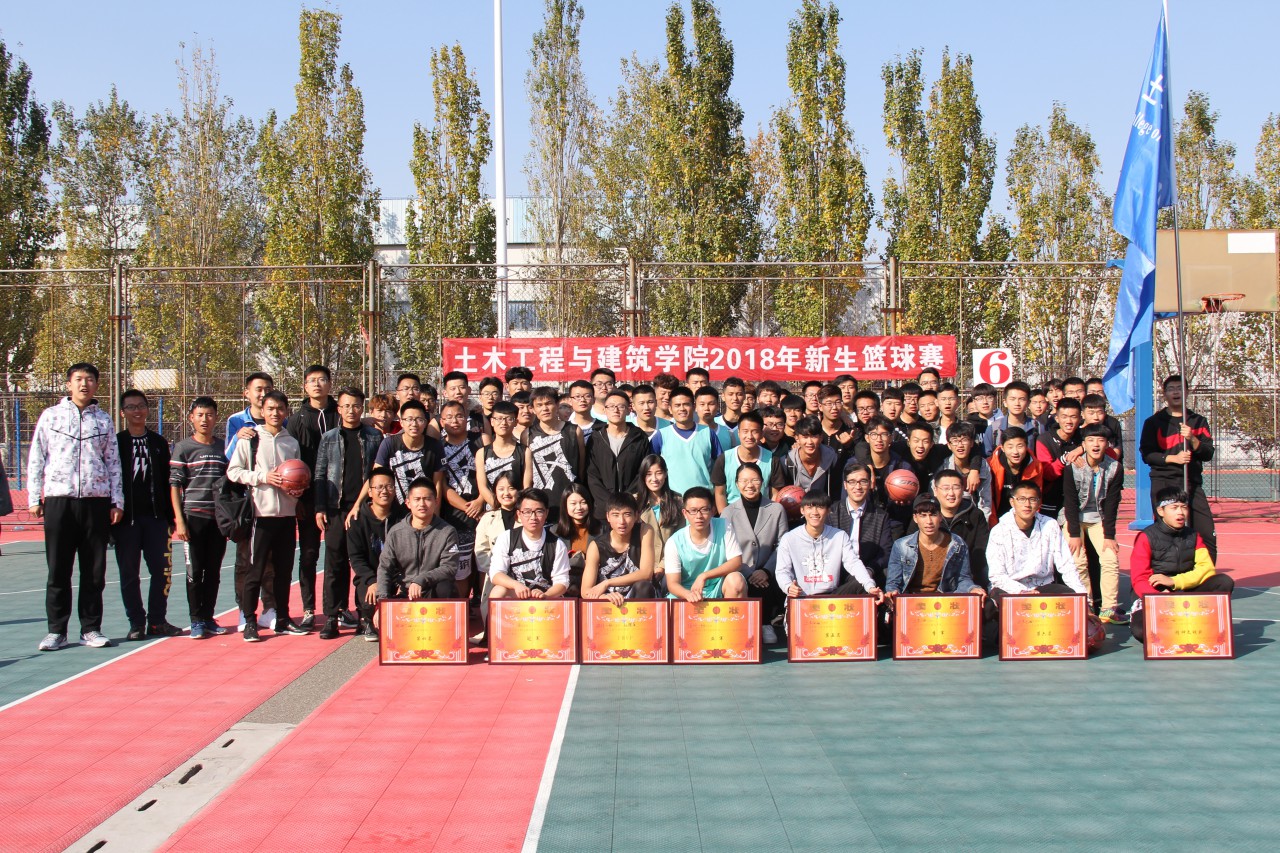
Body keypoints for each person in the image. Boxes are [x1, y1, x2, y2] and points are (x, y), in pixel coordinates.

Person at [29, 363, 125, 651]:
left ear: (97, 384)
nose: (85, 384)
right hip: (59, 501)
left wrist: (116, 501)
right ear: (69, 384)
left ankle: (91, 628)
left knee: (94, 571)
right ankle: (56, 631)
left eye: (90, 379)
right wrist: (34, 497)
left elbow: (113, 463)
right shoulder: (51, 416)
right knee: (58, 569)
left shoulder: (103, 420)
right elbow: (37, 457)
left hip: (96, 502)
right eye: (79, 379)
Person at [228, 389, 309, 641]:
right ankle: (250, 620)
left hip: (286, 516)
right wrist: (263, 477)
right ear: (262, 411)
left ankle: (282, 618)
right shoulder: (250, 439)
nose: (275, 413)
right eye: (270, 408)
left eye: (280, 409)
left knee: (283, 571)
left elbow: (298, 476)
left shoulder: (291, 442)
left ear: (286, 411)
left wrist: (297, 489)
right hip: (260, 516)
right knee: (255, 570)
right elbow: (234, 471)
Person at [314, 388, 383, 640]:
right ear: (339, 409)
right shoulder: (329, 438)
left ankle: (365, 617)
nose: (351, 410)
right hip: (336, 509)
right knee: (335, 564)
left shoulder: (374, 436)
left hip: (364, 509)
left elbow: (378, 473)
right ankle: (333, 616)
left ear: (362, 408)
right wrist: (320, 507)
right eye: (346, 406)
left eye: (355, 406)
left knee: (364, 564)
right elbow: (320, 473)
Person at [1128, 486, 1235, 643]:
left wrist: (1174, 581)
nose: (1180, 512)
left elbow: (1206, 569)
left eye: (1184, 507)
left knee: (1224, 581)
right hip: (1156, 594)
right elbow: (1139, 578)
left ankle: (1196, 622)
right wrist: (1159, 597)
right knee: (1142, 632)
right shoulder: (1146, 537)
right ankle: (1173, 624)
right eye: (1174, 508)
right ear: (1161, 511)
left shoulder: (1194, 536)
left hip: (1184, 592)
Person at [114, 389, 178, 640]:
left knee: (161, 571)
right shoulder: (116, 442)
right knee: (129, 574)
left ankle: (157, 621)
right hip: (126, 521)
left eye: (141, 405)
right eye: (131, 407)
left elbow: (167, 481)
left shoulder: (158, 443)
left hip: (156, 520)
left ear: (147, 409)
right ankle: (136, 623)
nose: (137, 411)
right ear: (123, 412)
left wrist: (170, 517)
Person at [170, 397, 229, 639]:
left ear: (216, 417)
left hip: (217, 520)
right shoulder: (183, 448)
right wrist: (180, 520)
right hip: (193, 517)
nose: (205, 419)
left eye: (210, 414)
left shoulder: (224, 447)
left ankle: (208, 617)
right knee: (195, 573)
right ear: (191, 418)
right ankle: (196, 620)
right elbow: (175, 485)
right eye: (200, 415)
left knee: (213, 572)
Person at [1140, 374, 1216, 562]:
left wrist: (1192, 439)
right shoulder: (1154, 422)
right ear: (1164, 394)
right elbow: (1147, 454)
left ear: (1187, 392)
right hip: (1164, 482)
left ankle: (1206, 573)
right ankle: (1166, 571)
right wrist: (1173, 458)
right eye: (1171, 389)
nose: (1176, 392)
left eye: (1180, 388)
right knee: (1167, 533)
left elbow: (1208, 453)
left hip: (1191, 483)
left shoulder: (1198, 421)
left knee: (1206, 532)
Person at [984, 482, 1086, 619]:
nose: (1027, 504)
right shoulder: (999, 531)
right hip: (1008, 588)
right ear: (1012, 502)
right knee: (1001, 607)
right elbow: (997, 575)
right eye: (1021, 499)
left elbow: (1066, 565)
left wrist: (1082, 598)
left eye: (1032, 499)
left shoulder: (1050, 525)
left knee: (1071, 598)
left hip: (1042, 586)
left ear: (1039, 503)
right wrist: (1023, 592)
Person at [284, 364, 337, 629]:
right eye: (312, 380)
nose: (317, 384)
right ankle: (308, 609)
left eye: (322, 379)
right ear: (305, 386)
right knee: (308, 554)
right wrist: (296, 498)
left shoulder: (341, 414)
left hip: (337, 495)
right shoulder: (296, 420)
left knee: (337, 556)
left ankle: (336, 608)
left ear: (330, 384)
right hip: (307, 497)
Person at [225, 372, 277, 624]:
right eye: (258, 389)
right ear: (247, 393)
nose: (263, 393)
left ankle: (270, 608)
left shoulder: (279, 419)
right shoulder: (236, 421)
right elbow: (228, 458)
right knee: (245, 559)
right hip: (246, 502)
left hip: (272, 500)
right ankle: (244, 610)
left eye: (267, 388)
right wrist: (238, 437)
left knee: (270, 559)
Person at [721, 462, 789, 643]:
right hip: (741, 569)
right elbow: (726, 549)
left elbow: (783, 545)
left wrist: (766, 570)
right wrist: (748, 572)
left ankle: (766, 622)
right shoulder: (728, 513)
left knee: (772, 581)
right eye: (744, 481)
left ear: (762, 482)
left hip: (769, 570)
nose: (749, 485)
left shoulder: (776, 509)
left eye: (754, 480)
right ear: (736, 484)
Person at [1064, 424, 1124, 621]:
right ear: (1084, 444)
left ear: (1107, 444)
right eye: (1091, 440)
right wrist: (1074, 534)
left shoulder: (1115, 468)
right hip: (1074, 519)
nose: (1095, 445)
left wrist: (1109, 535)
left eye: (1100, 440)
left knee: (1110, 559)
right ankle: (1086, 605)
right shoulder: (1073, 467)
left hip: (1100, 520)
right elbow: (1070, 503)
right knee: (1078, 561)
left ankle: (1109, 608)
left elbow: (1112, 504)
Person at [776, 493, 883, 603]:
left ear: (828, 511)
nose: (815, 512)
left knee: (861, 584)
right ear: (802, 510)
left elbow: (853, 563)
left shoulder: (839, 536)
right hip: (801, 596)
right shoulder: (789, 538)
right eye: (810, 507)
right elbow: (782, 571)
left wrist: (870, 586)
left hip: (831, 597)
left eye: (820, 507)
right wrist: (788, 586)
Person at [884, 494, 984, 603]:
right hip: (912, 601)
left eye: (933, 515)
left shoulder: (957, 544)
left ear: (940, 516)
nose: (929, 521)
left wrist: (972, 588)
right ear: (915, 518)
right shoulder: (901, 546)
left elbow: (963, 578)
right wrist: (892, 592)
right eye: (923, 515)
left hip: (945, 600)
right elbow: (893, 582)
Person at [375, 477, 462, 601]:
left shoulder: (447, 531)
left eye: (427, 499)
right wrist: (382, 600)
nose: (422, 504)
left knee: (446, 587)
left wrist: (421, 580)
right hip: (406, 591)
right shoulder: (396, 532)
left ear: (436, 501)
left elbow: (449, 567)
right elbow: (385, 567)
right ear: (408, 503)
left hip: (433, 589)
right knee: (372, 603)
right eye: (417, 499)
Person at [664, 487, 745, 602]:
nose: (699, 516)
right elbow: (673, 583)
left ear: (713, 511)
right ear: (685, 513)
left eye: (704, 510)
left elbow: (736, 562)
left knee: (736, 580)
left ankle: (730, 614)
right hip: (687, 593)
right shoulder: (674, 542)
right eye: (693, 510)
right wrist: (688, 594)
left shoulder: (724, 526)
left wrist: (704, 576)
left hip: (717, 588)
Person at [351, 467, 405, 639]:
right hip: (372, 576)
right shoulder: (357, 519)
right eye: (379, 487)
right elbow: (356, 558)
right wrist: (373, 581)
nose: (384, 491)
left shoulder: (404, 517)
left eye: (389, 486)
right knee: (369, 595)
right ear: (370, 491)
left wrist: (403, 580)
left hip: (396, 575)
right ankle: (367, 620)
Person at [489, 488, 571, 600]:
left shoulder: (557, 544)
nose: (533, 517)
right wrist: (516, 585)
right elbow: (496, 574)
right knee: (498, 590)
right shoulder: (506, 538)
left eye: (539, 512)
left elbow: (562, 582)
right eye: (527, 512)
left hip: (546, 597)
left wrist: (545, 595)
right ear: (519, 514)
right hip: (517, 594)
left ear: (546, 513)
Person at [524, 386, 586, 524]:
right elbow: (528, 472)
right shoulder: (527, 435)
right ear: (533, 409)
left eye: (549, 403)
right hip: (541, 500)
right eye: (539, 405)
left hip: (571, 498)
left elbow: (581, 466)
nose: (545, 409)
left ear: (557, 405)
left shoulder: (574, 431)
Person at [369, 399, 445, 512]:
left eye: (419, 419)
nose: (414, 424)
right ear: (401, 422)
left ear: (425, 423)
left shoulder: (435, 446)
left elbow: (437, 484)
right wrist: (358, 504)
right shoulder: (389, 443)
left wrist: (434, 515)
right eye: (409, 419)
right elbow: (376, 477)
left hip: (423, 510)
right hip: (394, 511)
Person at [585, 390, 650, 521]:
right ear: (604, 410)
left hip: (632, 507)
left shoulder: (639, 437)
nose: (616, 410)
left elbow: (643, 472)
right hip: (603, 511)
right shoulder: (595, 438)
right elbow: (592, 475)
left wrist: (627, 499)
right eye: (611, 406)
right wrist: (610, 503)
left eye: (621, 406)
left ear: (628, 410)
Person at [581, 492, 657, 604]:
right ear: (608, 517)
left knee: (644, 586)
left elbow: (646, 573)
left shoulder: (644, 531)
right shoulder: (596, 546)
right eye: (615, 515)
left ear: (636, 515)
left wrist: (607, 583)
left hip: (638, 600)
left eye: (627, 514)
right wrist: (604, 597)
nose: (621, 521)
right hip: (609, 603)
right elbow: (585, 591)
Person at [829, 463, 896, 587]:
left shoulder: (881, 516)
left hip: (869, 570)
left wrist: (870, 570)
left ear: (870, 484)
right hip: (838, 572)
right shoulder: (832, 512)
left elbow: (886, 552)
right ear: (845, 485)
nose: (858, 487)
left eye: (863, 481)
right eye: (852, 482)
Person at [921, 469, 990, 590]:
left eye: (956, 488)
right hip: (932, 575)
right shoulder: (925, 515)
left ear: (963, 490)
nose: (951, 493)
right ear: (935, 490)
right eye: (946, 488)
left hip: (967, 574)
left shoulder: (976, 515)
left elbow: (980, 551)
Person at [650, 386, 722, 494]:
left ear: (694, 407)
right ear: (670, 409)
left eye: (686, 404)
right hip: (673, 499)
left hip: (704, 498)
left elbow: (720, 466)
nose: (682, 409)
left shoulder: (707, 433)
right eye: (677, 405)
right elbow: (650, 467)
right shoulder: (661, 435)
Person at [711, 411, 784, 511]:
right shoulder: (724, 458)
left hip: (763, 512)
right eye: (745, 431)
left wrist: (770, 515)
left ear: (761, 433)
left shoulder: (772, 459)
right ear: (738, 433)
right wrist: (725, 517)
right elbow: (720, 493)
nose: (749, 436)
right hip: (732, 514)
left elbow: (775, 494)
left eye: (754, 431)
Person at [634, 454, 684, 594]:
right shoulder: (634, 502)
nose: (654, 479)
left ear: (666, 474)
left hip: (670, 565)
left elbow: (680, 538)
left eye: (659, 473)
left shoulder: (677, 501)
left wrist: (662, 566)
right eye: (649, 474)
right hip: (641, 566)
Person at [1033, 396, 1083, 520]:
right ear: (1057, 418)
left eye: (1073, 417)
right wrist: (1065, 459)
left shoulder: (1085, 438)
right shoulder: (1044, 439)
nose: (1069, 421)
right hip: (1051, 498)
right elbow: (1048, 473)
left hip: (1080, 497)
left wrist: (1083, 448)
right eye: (1064, 417)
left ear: (1080, 418)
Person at [551, 484, 601, 597]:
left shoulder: (601, 530)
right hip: (563, 589)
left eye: (583, 502)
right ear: (565, 506)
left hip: (594, 588)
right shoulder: (554, 532)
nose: (579, 507)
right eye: (573, 503)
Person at [988, 426, 1044, 526]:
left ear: (1026, 446)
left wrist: (1029, 523)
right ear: (1002, 448)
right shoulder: (990, 465)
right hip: (997, 519)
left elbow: (1036, 498)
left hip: (1024, 520)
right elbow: (988, 500)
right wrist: (994, 525)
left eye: (1020, 446)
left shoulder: (1035, 466)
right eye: (1010, 447)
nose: (1015, 452)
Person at [778, 415, 841, 503]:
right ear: (797, 438)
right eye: (805, 437)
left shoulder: (833, 459)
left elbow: (836, 492)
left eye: (814, 436)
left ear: (821, 437)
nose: (810, 442)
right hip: (795, 508)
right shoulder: (786, 462)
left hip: (824, 507)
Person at [476, 400, 524, 508]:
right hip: (491, 510)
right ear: (492, 421)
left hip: (518, 510)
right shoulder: (482, 453)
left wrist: (513, 509)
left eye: (509, 419)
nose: (503, 423)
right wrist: (499, 508)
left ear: (516, 422)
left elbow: (526, 485)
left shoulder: (524, 451)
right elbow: (483, 487)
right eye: (499, 418)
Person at [939, 421, 991, 518]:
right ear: (949, 445)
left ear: (971, 443)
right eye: (955, 440)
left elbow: (985, 501)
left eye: (964, 440)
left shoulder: (983, 465)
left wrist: (982, 523)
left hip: (976, 518)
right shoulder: (944, 467)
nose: (960, 445)